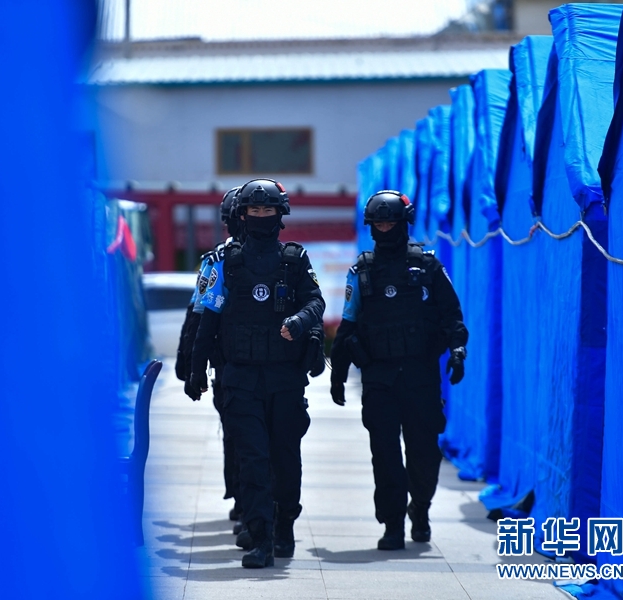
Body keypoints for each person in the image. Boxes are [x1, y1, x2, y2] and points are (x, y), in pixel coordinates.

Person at [186, 179, 325, 568]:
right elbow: (208, 319)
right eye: (254, 211)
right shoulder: (226, 263)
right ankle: (260, 538)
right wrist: (196, 369)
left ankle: (285, 526)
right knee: (252, 461)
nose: (261, 216)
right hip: (241, 380)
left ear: (280, 215)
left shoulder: (294, 260)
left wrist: (299, 321)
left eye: (268, 211)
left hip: (285, 380)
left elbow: (316, 301)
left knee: (285, 460)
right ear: (243, 216)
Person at [330, 189, 468, 551]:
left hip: (420, 376)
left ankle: (420, 508)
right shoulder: (361, 271)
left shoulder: (428, 267)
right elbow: (348, 324)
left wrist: (458, 350)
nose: (385, 229)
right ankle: (392, 524)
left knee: (425, 453)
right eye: (378, 224)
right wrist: (337, 374)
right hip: (379, 379)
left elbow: (451, 314)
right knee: (386, 456)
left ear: (404, 223)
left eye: (390, 222)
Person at [175, 186, 244, 527]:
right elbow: (198, 314)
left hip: (275, 368)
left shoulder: (287, 259)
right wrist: (190, 364)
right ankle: (246, 502)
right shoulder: (217, 262)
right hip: (229, 365)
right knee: (237, 436)